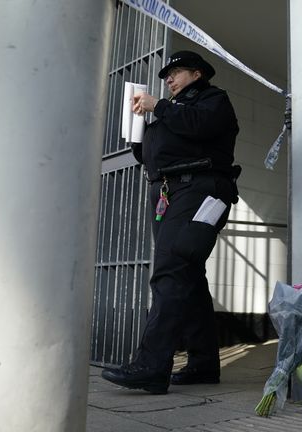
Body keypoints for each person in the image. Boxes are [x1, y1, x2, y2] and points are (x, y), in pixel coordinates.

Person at [101, 50, 240, 394]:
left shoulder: (212, 100)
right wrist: (138, 132)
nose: (168, 80)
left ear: (196, 74)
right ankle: (203, 364)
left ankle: (151, 365)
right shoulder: (170, 111)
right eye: (165, 76)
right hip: (168, 192)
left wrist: (158, 107)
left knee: (171, 269)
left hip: (201, 189)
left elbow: (200, 126)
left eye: (175, 72)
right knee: (187, 276)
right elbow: (148, 153)